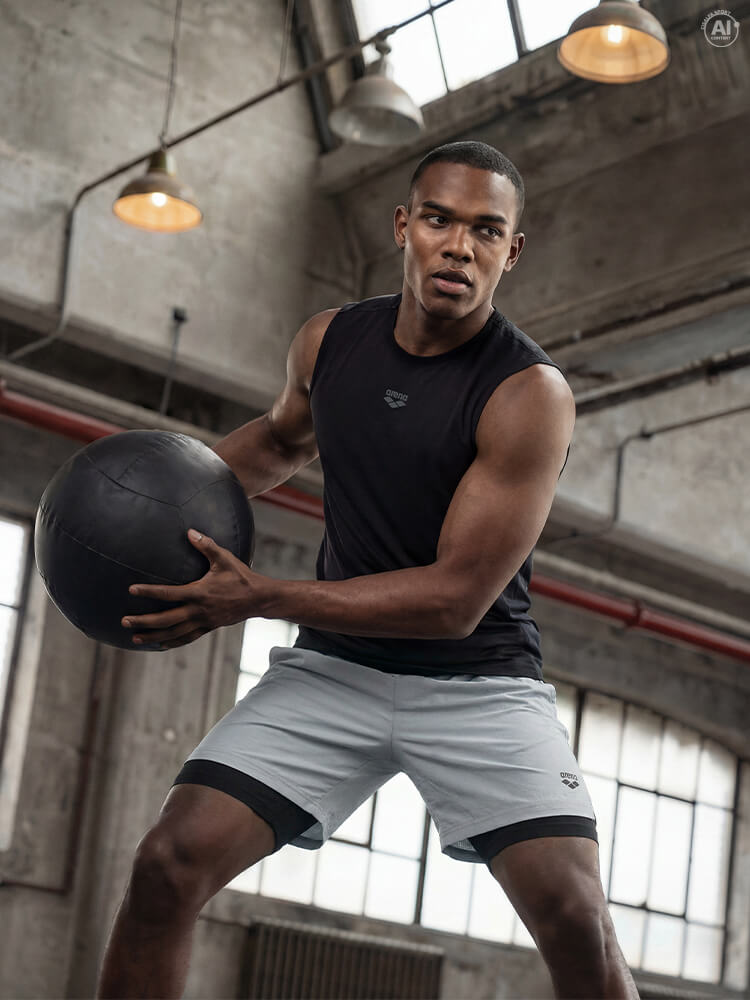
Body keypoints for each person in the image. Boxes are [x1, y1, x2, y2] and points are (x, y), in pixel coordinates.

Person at [96, 141, 638, 1000]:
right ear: (404, 227)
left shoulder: (528, 392)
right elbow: (277, 441)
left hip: (478, 684)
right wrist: (139, 494)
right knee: (165, 866)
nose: (459, 246)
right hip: (336, 674)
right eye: (440, 220)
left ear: (513, 250)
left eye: (486, 230)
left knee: (577, 921)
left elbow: (456, 601)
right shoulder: (332, 341)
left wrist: (261, 597)